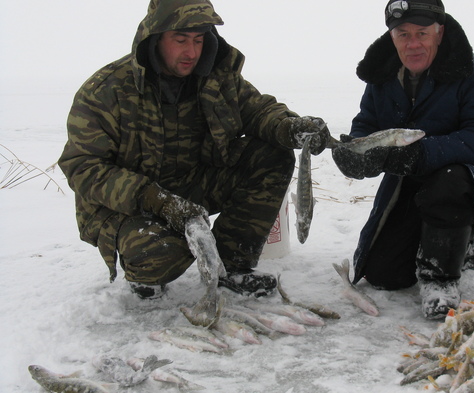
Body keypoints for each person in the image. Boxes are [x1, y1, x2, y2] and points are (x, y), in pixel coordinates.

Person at [58, 0, 330, 299]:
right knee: (163, 254)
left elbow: (258, 110)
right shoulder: (107, 90)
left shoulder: (215, 77)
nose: (191, 52)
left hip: (191, 185)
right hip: (129, 204)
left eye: (199, 41)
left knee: (271, 154)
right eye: (181, 40)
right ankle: (145, 271)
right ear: (155, 37)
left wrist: (292, 127)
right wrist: (157, 201)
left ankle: (233, 265)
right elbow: (83, 167)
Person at [332, 0, 474, 319]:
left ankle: (442, 277)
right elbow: (367, 125)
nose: (412, 43)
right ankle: (451, 243)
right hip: (408, 181)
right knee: (385, 276)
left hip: (469, 181)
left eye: (422, 33)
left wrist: (422, 153)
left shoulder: (473, 72)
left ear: (439, 33)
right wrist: (357, 153)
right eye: (403, 34)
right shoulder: (382, 76)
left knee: (448, 181)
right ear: (391, 37)